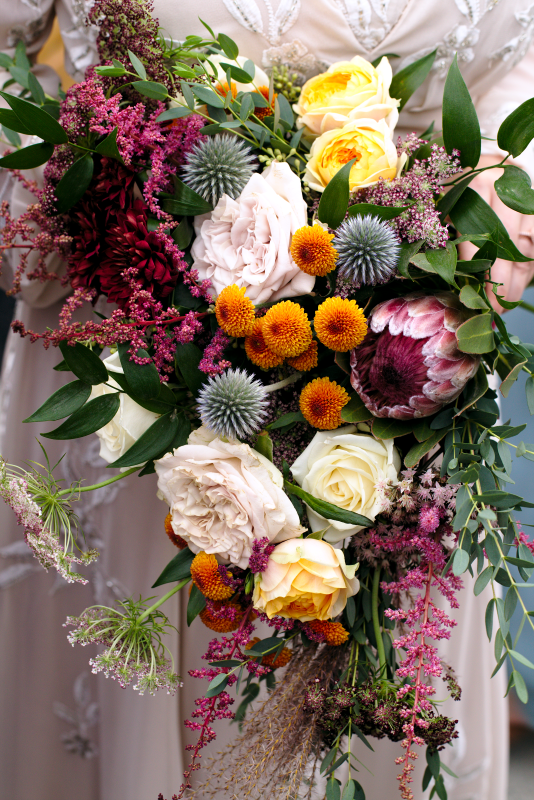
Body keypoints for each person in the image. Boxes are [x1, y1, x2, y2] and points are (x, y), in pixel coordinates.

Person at [1, 2, 534, 799]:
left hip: (407, 377)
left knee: (376, 713)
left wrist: (498, 196)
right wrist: (57, 182)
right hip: (130, 355)